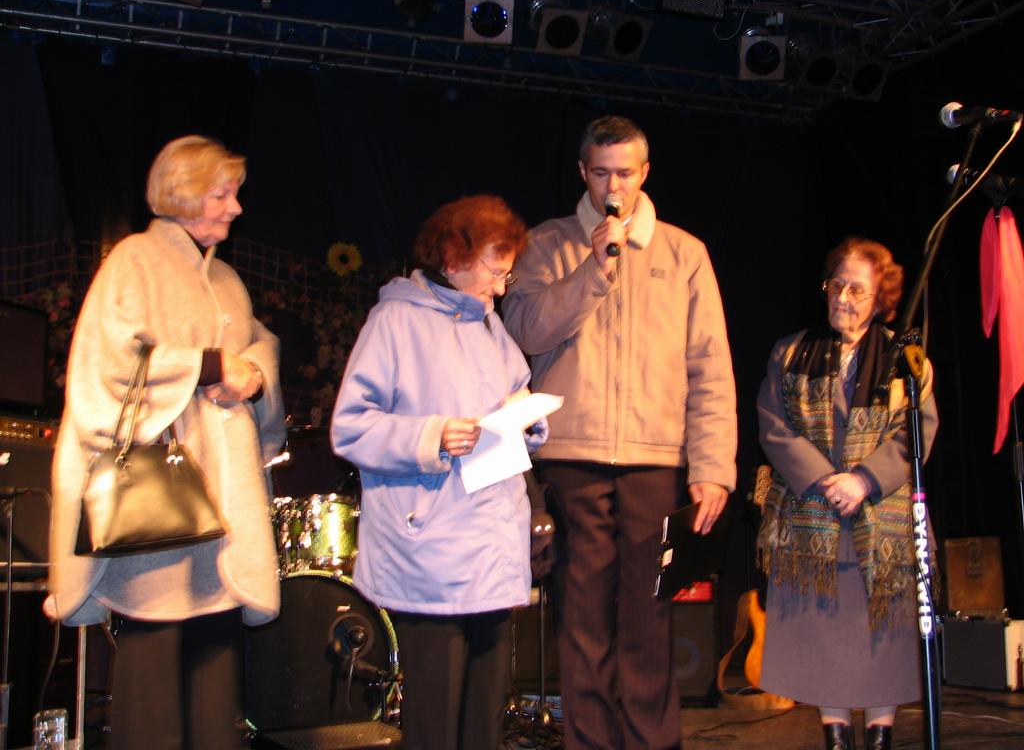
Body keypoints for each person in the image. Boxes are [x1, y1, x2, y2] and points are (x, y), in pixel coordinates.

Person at [502, 115, 737, 750]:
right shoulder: (546, 244)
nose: (614, 186)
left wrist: (712, 466)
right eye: (601, 173)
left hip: (655, 460)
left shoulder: (685, 253)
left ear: (645, 172)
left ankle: (653, 742)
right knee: (581, 619)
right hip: (572, 455)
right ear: (583, 172)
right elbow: (524, 332)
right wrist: (593, 269)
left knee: (649, 617)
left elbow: (710, 366)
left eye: (626, 173)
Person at [46, 135, 286, 748]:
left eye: (235, 194)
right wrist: (208, 366)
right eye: (221, 194)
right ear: (182, 194)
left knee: (216, 670)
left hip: (224, 503)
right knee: (152, 666)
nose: (236, 208)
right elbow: (104, 362)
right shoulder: (134, 260)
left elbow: (258, 347)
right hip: (159, 506)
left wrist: (254, 374)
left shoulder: (226, 279)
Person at [330, 194, 548, 750]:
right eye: (494, 271)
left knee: (484, 716)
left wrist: (525, 417)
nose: (501, 288)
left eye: (506, 275)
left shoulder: (490, 326)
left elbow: (514, 396)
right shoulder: (395, 322)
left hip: (492, 545)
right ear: (453, 259)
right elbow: (350, 427)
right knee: (435, 717)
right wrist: (432, 436)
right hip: (430, 547)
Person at [756, 237, 939, 750]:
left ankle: (880, 736)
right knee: (823, 637)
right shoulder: (790, 352)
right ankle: (835, 736)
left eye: (856, 289)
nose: (842, 297)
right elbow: (773, 425)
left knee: (882, 636)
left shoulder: (908, 361)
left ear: (881, 298)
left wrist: (864, 480)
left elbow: (917, 432)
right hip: (812, 516)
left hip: (883, 522)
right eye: (836, 285)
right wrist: (823, 478)